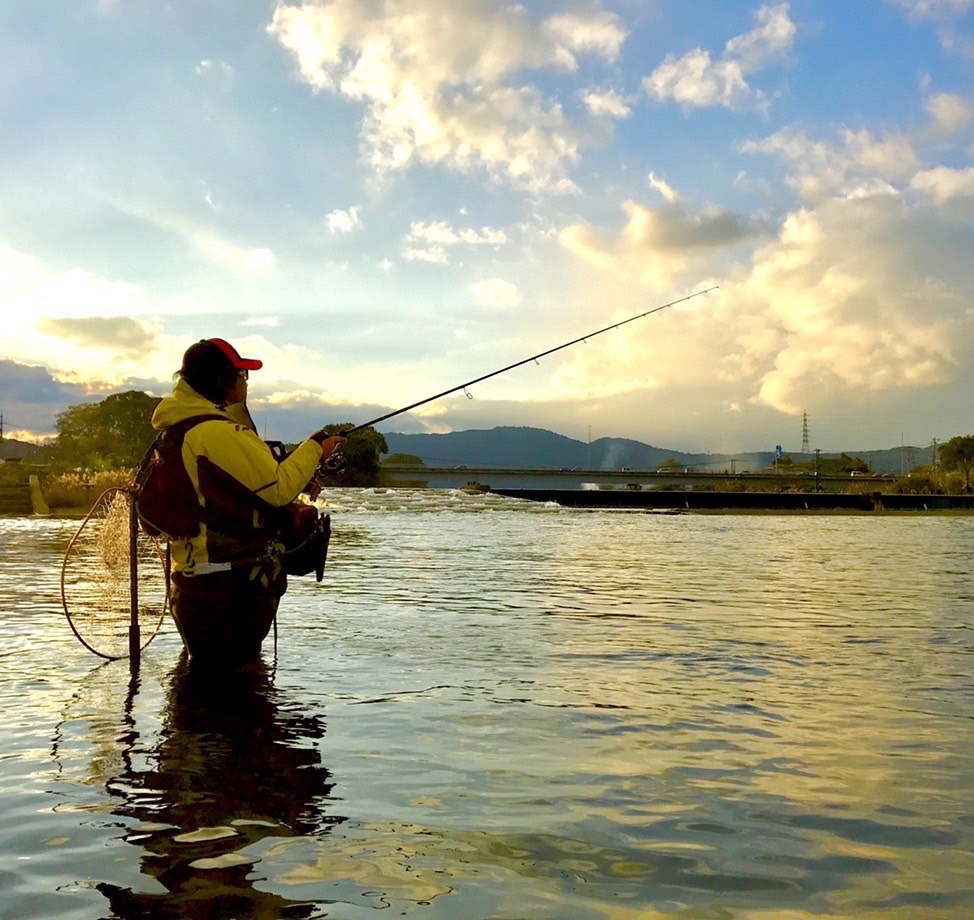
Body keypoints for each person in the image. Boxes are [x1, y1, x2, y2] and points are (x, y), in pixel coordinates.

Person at [150, 337, 343, 670]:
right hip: (227, 594)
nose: (246, 383)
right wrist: (315, 449)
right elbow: (278, 488)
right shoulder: (216, 432)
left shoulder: (179, 428)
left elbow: (235, 493)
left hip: (194, 585)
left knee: (201, 693)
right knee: (237, 695)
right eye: (243, 375)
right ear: (222, 380)